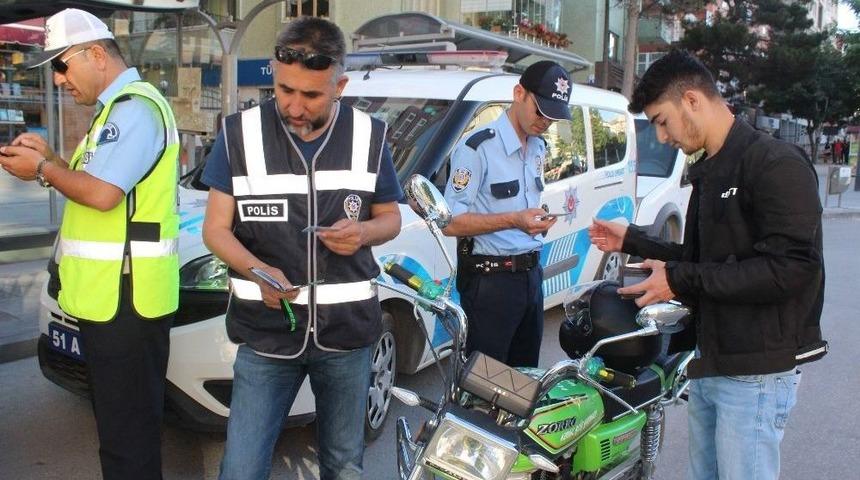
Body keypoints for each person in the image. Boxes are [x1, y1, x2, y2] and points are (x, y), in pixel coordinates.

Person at [588, 49, 827, 480]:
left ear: (693, 101)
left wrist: (678, 280)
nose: (662, 138)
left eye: (662, 121)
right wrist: (634, 239)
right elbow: (706, 263)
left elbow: (790, 270)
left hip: (756, 372)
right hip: (710, 361)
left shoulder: (774, 164)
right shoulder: (712, 169)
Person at [200, 17, 402, 480]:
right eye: (284, 89)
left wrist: (364, 233)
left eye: (311, 95)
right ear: (274, 70)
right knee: (241, 468)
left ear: (340, 85)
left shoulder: (371, 136)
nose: (293, 106)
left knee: (343, 466)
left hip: (348, 336)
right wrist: (256, 271)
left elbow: (390, 218)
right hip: (267, 335)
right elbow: (216, 229)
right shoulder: (238, 134)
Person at [0, 8, 179, 480]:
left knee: (128, 439)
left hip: (128, 301)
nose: (58, 80)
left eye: (61, 65)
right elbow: (94, 182)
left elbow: (101, 194)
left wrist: (42, 170)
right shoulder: (115, 113)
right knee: (120, 430)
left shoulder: (136, 108)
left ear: (96, 54)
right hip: (112, 299)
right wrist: (52, 159)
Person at [442, 60, 568, 368]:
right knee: (486, 386)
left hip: (531, 277)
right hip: (491, 283)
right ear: (518, 93)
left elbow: (524, 205)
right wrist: (514, 220)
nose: (544, 123)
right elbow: (449, 222)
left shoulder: (538, 146)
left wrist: (536, 222)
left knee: (523, 383)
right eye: (540, 111)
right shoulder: (477, 148)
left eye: (552, 118)